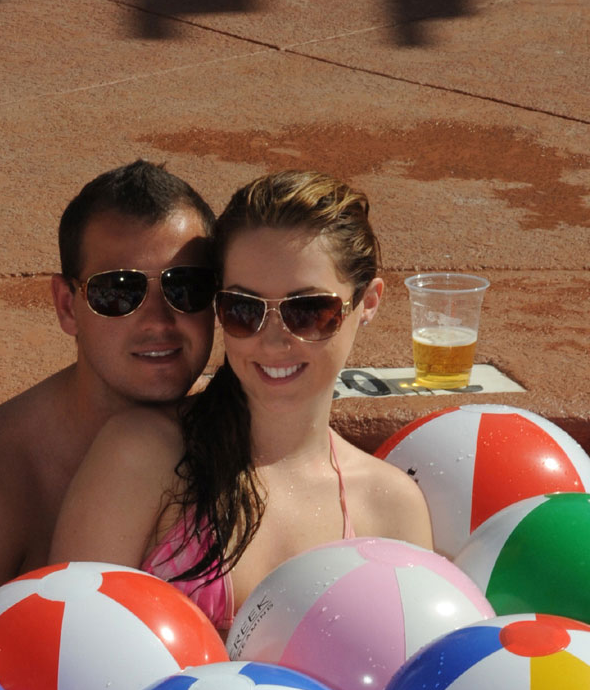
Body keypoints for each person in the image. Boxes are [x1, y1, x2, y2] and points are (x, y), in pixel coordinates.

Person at [49, 169, 433, 635]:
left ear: (367, 301)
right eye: (243, 309)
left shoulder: (392, 508)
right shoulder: (143, 456)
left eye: (309, 310)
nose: (273, 342)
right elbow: (64, 650)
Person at [0, 160, 217, 641]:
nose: (159, 320)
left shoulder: (245, 433)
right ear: (66, 306)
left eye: (186, 287)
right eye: (119, 291)